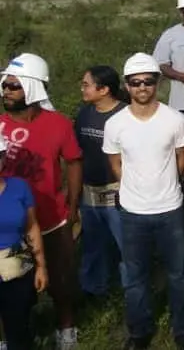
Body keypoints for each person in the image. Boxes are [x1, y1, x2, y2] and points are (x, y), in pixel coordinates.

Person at [103, 53, 184, 350]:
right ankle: (139, 331)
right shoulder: (116, 124)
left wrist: (167, 187)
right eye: (136, 82)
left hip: (170, 209)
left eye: (148, 81)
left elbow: (182, 160)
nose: (142, 87)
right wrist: (134, 189)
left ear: (157, 83)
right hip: (132, 212)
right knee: (134, 278)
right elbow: (116, 164)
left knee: (178, 275)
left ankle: (182, 330)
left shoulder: (174, 118)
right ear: (127, 86)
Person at [0, 53, 81, 348]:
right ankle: (14, 335)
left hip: (51, 218)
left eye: (13, 86)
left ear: (33, 88)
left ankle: (66, 331)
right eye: (4, 85)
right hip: (8, 223)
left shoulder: (58, 124)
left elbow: (73, 162)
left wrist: (72, 207)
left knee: (61, 281)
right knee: (10, 287)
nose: (6, 91)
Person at [74, 66, 127, 299]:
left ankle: (131, 291)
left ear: (104, 89)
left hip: (118, 192)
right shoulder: (84, 114)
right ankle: (93, 290)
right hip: (90, 192)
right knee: (92, 246)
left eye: (87, 84)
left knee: (126, 246)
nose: (82, 88)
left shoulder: (126, 116)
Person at [0, 134, 49, 350]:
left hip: (17, 267)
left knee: (18, 327)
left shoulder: (19, 187)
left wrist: (41, 267)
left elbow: (32, 226)